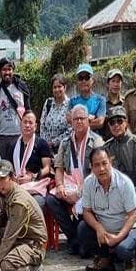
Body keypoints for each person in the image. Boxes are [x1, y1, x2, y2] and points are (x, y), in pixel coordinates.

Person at [45, 105, 105, 255]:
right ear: (71, 122)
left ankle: (80, 238)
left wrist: (79, 193)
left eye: (82, 119)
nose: (78, 122)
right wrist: (59, 186)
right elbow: (58, 167)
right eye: (75, 119)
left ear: (88, 121)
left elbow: (97, 173)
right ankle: (73, 238)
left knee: (84, 252)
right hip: (69, 185)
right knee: (51, 200)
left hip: (90, 187)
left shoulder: (97, 142)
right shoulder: (66, 143)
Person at [79, 148, 136, 271]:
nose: (101, 169)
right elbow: (86, 212)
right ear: (91, 167)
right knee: (82, 229)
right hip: (104, 230)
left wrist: (118, 238)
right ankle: (104, 259)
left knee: (123, 250)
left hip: (128, 228)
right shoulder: (88, 183)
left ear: (111, 162)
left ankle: (129, 259)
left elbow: (132, 215)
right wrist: (98, 227)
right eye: (96, 165)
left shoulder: (124, 183)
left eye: (104, 163)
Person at [103, 106, 136, 214]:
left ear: (126, 123)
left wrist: (133, 195)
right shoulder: (107, 148)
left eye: (119, 121)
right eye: (112, 122)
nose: (116, 125)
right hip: (114, 197)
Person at [0, 58, 31, 160]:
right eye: (4, 69)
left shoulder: (22, 88)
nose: (7, 72)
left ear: (13, 70)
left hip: (19, 135)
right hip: (1, 137)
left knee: (19, 168)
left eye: (9, 69)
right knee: (2, 170)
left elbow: (28, 111)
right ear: (0, 72)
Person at [11, 111, 53, 208]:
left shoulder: (42, 144)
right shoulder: (13, 145)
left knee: (36, 204)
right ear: (20, 124)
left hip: (36, 186)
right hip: (17, 185)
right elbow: (9, 167)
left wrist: (32, 177)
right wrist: (14, 178)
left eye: (30, 123)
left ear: (36, 126)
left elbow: (47, 168)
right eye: (25, 122)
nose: (27, 125)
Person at [68, 64, 107, 132]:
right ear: (77, 81)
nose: (84, 81)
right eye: (80, 78)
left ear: (92, 80)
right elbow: (69, 119)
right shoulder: (72, 100)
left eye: (87, 77)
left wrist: (78, 122)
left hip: (94, 139)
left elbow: (100, 122)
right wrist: (89, 119)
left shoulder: (100, 100)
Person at [40, 74, 71, 153]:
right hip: (46, 149)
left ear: (65, 87)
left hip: (62, 149)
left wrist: (53, 142)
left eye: (59, 86)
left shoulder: (70, 104)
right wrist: (44, 143)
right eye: (54, 87)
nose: (57, 89)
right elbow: (42, 124)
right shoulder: (48, 103)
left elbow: (70, 130)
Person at [99, 69, 125, 139]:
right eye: (113, 81)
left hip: (123, 143)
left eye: (118, 81)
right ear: (108, 84)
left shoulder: (125, 102)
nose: (116, 84)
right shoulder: (101, 102)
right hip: (106, 143)